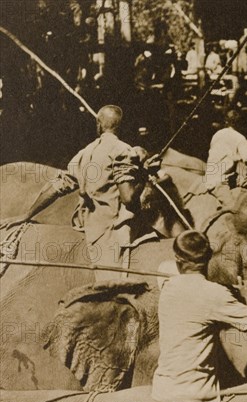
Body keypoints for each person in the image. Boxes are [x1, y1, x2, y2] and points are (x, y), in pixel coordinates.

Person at [1, 105, 151, 280]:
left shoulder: (84, 153)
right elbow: (129, 198)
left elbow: (56, 187)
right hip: (111, 228)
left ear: (99, 124)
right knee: (114, 284)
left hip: (85, 221)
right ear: (121, 126)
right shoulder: (123, 150)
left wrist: (27, 214)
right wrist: (144, 175)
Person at [152, 230, 247, 402]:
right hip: (195, 401)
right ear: (209, 256)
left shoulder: (167, 282)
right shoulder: (214, 294)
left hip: (165, 393)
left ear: (177, 258)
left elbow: (169, 267)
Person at [204, 110, 247, 204]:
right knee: (233, 207)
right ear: (240, 123)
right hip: (219, 181)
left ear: (226, 121)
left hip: (223, 175)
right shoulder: (239, 138)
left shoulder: (216, 135)